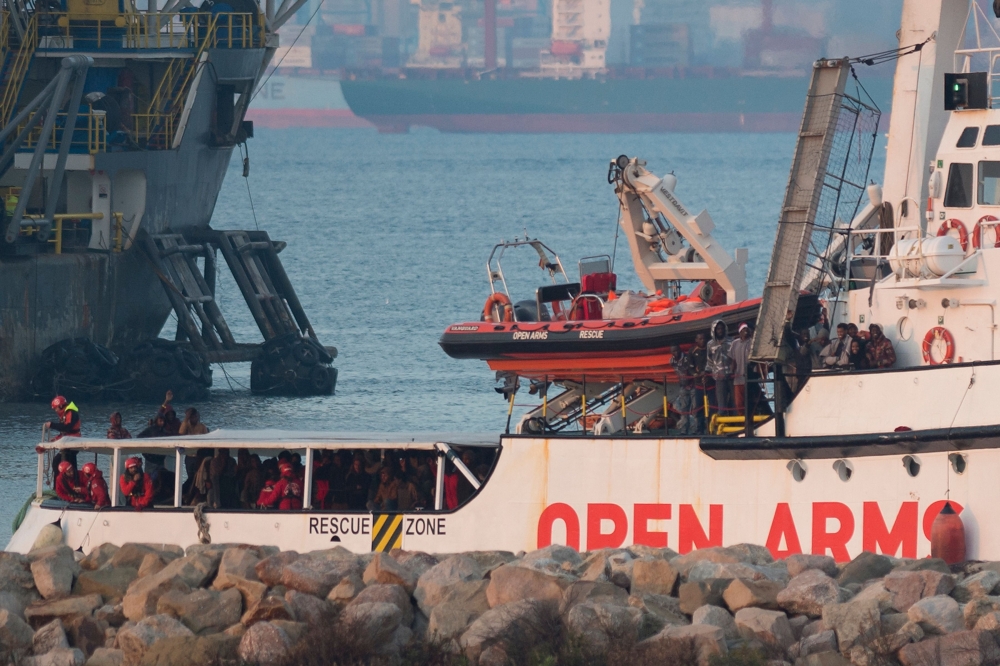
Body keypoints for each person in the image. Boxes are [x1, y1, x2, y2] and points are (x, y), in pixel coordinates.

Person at [706, 320, 734, 416]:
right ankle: (722, 421)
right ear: (714, 330)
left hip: (732, 374)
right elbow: (709, 360)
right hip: (719, 376)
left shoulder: (732, 341)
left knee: (734, 401)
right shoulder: (710, 344)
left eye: (722, 328)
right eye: (718, 329)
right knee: (721, 403)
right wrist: (708, 373)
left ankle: (736, 421)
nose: (720, 330)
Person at [688, 333, 709, 433]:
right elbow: (690, 366)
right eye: (700, 339)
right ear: (696, 340)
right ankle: (699, 428)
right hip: (698, 385)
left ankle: (711, 428)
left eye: (704, 338)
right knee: (699, 408)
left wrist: (707, 373)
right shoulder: (692, 351)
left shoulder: (710, 349)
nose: (702, 341)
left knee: (713, 407)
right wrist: (696, 374)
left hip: (710, 383)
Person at [729, 323, 752, 413]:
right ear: (740, 332)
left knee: (749, 401)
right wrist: (731, 371)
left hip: (749, 378)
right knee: (739, 403)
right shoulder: (735, 343)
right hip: (738, 378)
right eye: (743, 329)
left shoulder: (752, 342)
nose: (746, 331)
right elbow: (733, 360)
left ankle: (750, 419)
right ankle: (742, 419)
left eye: (747, 329)